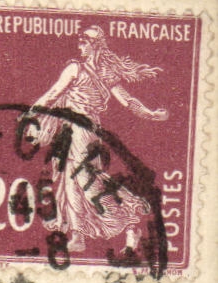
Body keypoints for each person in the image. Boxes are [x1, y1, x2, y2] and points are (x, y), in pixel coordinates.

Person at [27, 27, 170, 253]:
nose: (80, 46)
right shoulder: (81, 69)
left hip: (84, 131)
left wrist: (149, 114)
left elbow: (126, 100)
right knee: (70, 180)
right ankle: (78, 236)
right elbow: (54, 94)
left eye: (84, 42)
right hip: (71, 131)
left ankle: (129, 223)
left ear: (96, 45)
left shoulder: (88, 71)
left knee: (86, 181)